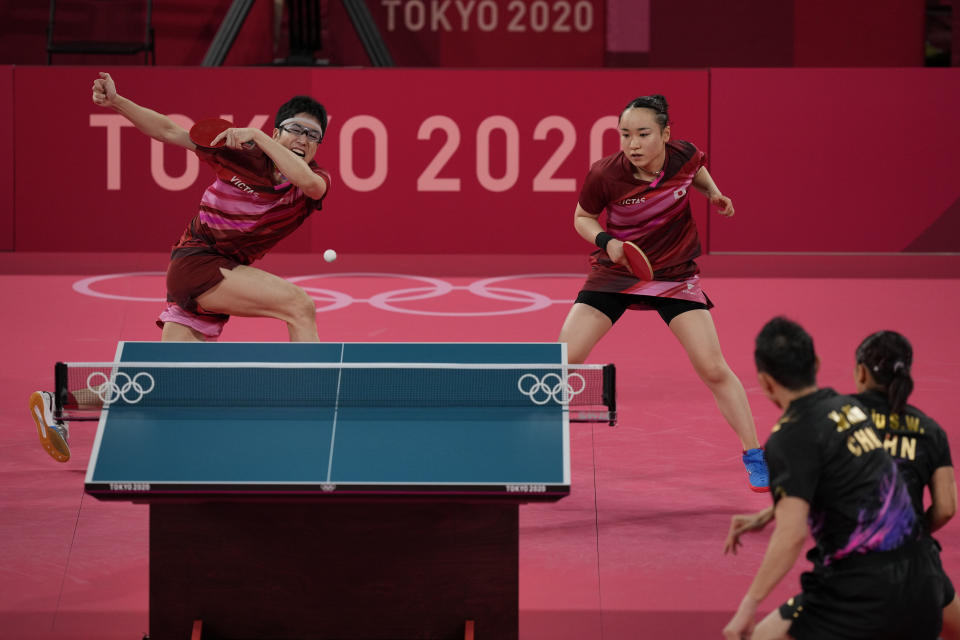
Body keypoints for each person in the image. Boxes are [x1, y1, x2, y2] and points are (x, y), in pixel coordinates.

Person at [30, 71, 332, 462]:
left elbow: (307, 182)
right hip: (199, 261)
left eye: (312, 136)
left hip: (215, 274)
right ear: (278, 132)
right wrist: (118, 103)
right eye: (296, 130)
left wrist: (255, 135)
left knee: (165, 382)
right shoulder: (235, 153)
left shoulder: (315, 180)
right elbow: (169, 131)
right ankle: (314, 417)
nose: (303, 140)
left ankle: (60, 401)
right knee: (299, 305)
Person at [557, 94, 768, 491]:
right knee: (562, 360)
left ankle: (754, 453)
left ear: (665, 134)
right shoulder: (605, 174)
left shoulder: (683, 154)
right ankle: (525, 444)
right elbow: (582, 217)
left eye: (642, 134)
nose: (633, 144)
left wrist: (713, 194)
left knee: (713, 367)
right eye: (624, 134)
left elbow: (697, 171)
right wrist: (608, 242)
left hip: (673, 275)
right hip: (617, 272)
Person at [721, 317, 942, 640]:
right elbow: (856, 478)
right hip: (925, 580)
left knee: (759, 636)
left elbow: (792, 535)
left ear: (765, 382)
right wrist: (773, 511)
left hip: (861, 592)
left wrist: (748, 606)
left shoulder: (789, 437)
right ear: (818, 363)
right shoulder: (849, 408)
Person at [851, 330, 959, 639]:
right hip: (918, 566)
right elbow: (947, 508)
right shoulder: (931, 430)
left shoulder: (837, 418)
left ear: (861, 371)